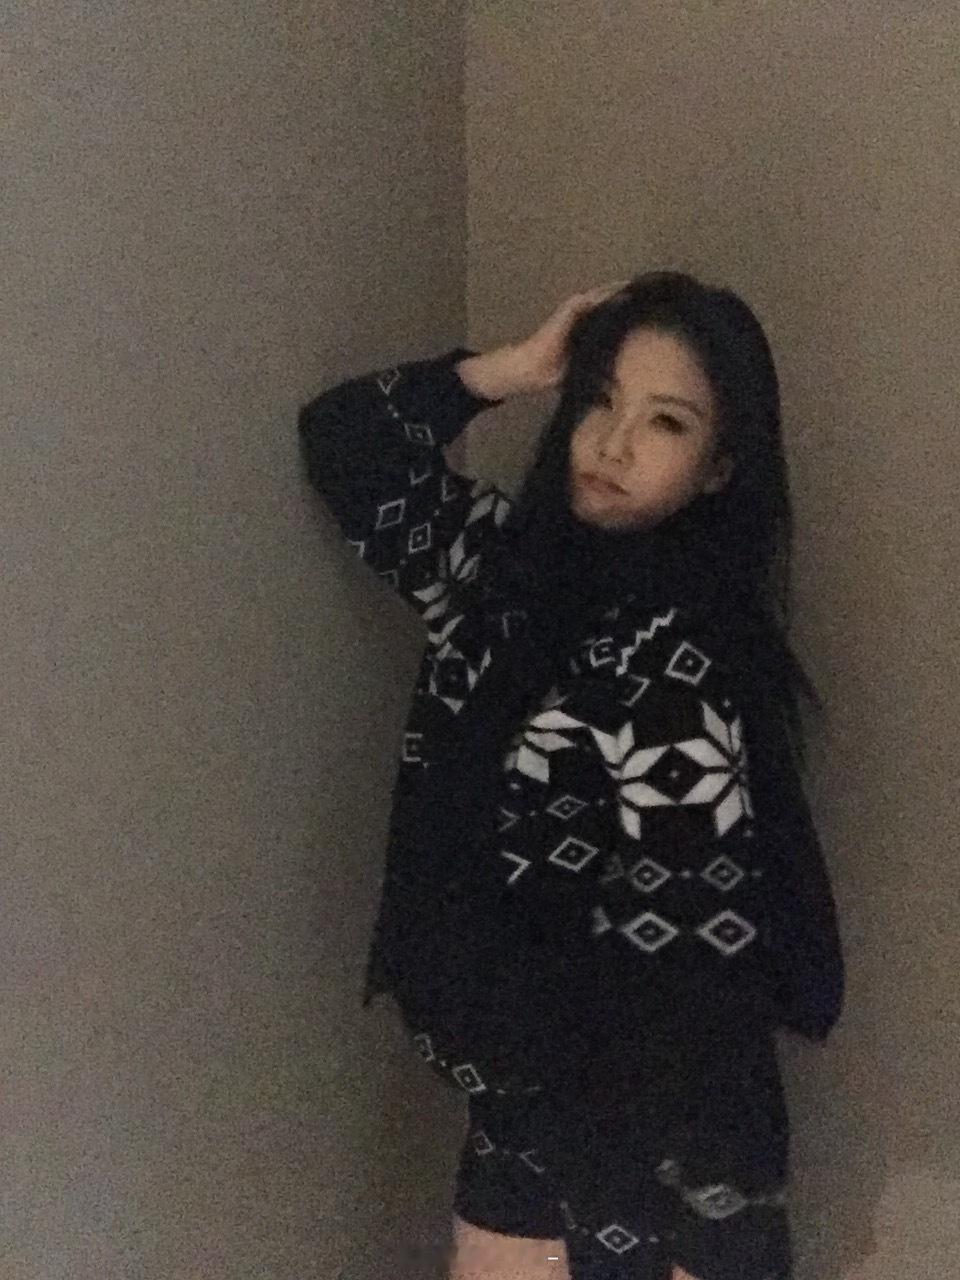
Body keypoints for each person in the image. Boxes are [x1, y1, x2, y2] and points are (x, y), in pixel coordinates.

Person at [297, 271, 846, 1280]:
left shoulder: (686, 668)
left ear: (719, 468)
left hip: (663, 1160)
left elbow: (695, 987)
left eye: (666, 421)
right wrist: (515, 367)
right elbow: (344, 442)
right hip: (515, 1127)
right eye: (600, 398)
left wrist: (691, 1220)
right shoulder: (493, 572)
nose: (614, 443)